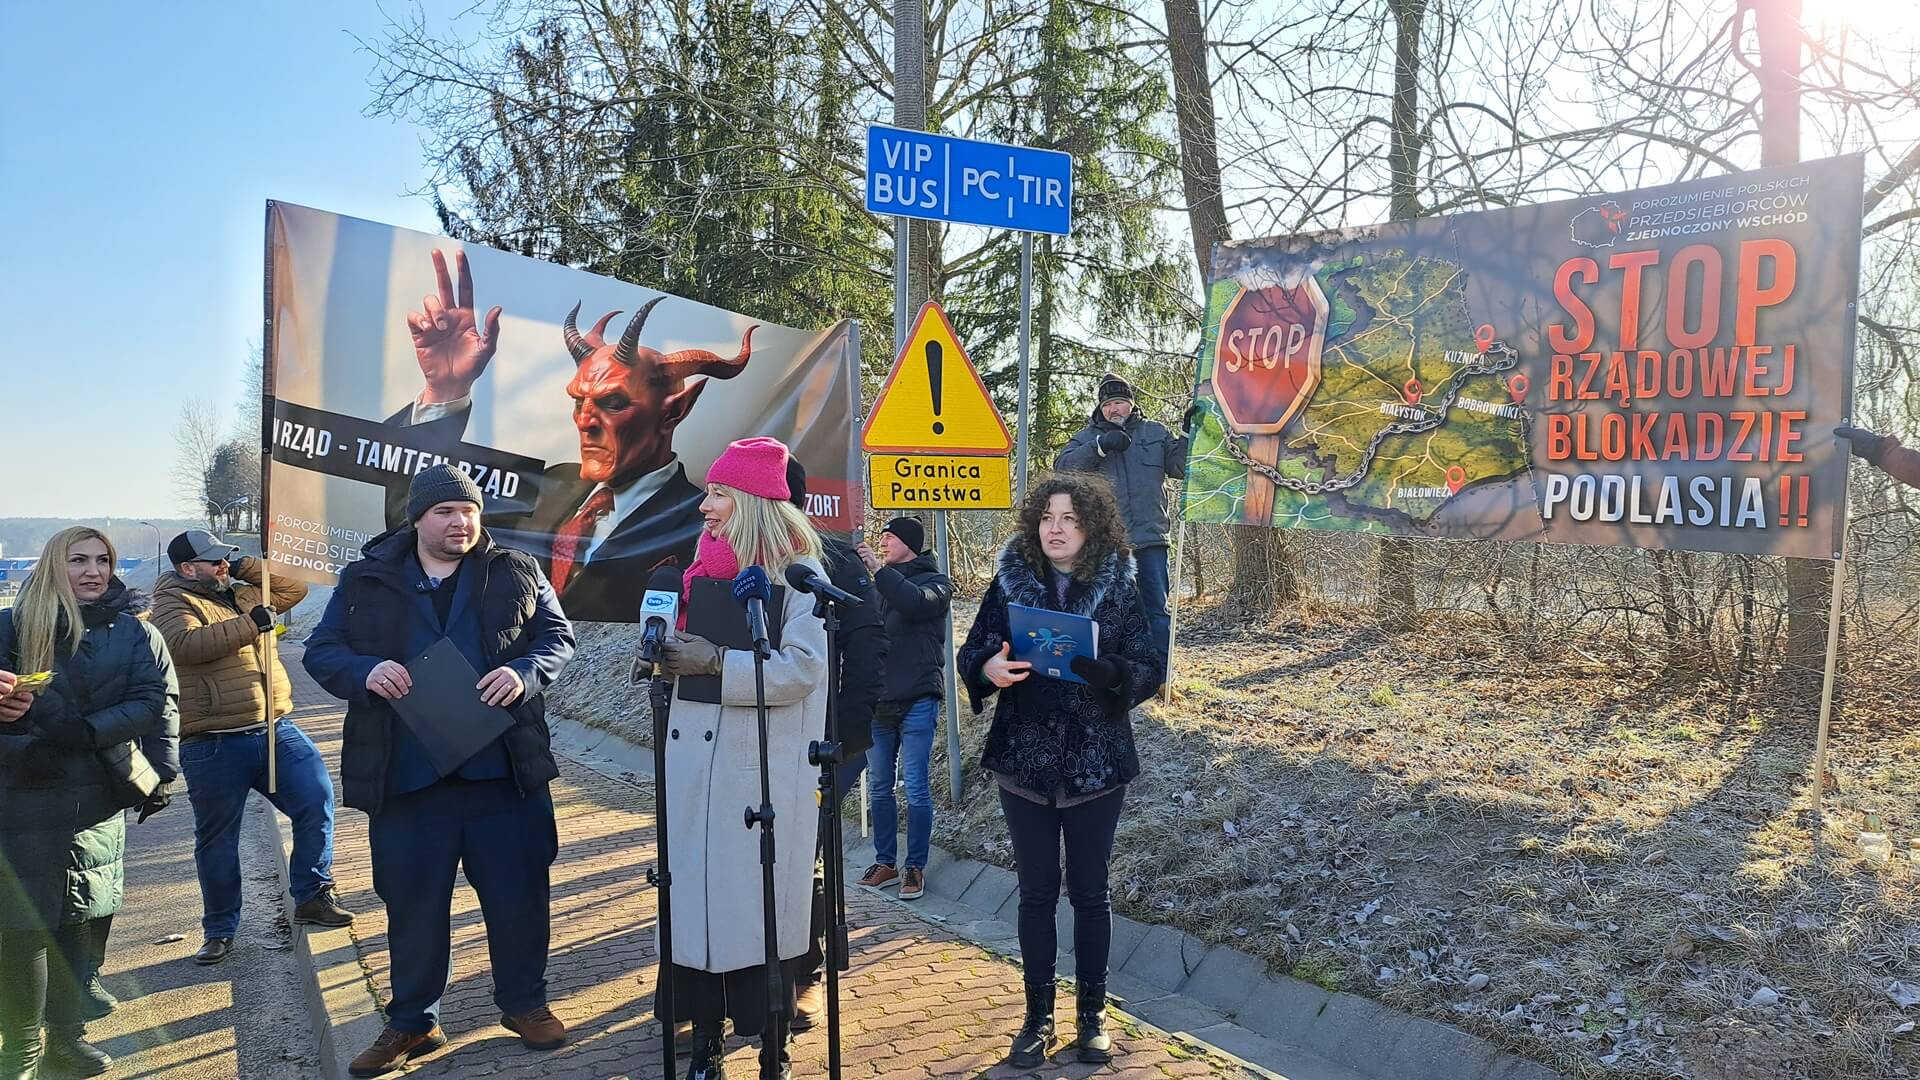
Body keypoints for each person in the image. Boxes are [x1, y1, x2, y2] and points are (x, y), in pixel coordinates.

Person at [303, 464, 577, 1077]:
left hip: (503, 774)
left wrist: (524, 673)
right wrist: (365, 672)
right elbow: (324, 650)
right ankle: (411, 1021)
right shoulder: (366, 579)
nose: (461, 522)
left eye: (469, 511)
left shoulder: (517, 570)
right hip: (407, 777)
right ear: (417, 519)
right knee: (412, 902)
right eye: (445, 512)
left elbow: (556, 637)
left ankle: (524, 1004)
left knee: (520, 896)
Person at [378, 249, 755, 619]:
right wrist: (443, 394)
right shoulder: (545, 486)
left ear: (675, 410)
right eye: (579, 401)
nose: (585, 421)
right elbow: (410, 533)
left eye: (612, 402)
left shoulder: (703, 524)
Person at [956, 475, 1166, 1068]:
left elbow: (1151, 667)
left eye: (1069, 519)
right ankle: (1036, 1018)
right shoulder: (1009, 583)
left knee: (1091, 894)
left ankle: (1092, 1015)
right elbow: (972, 654)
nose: (1055, 528)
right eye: (1048, 516)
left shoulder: (1121, 588)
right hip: (1024, 760)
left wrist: (1113, 675)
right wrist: (988, 670)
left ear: (1090, 527)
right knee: (1036, 893)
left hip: (1097, 763)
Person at [658, 437, 830, 1080]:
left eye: (720, 494)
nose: (706, 506)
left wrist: (716, 662)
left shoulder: (799, 578)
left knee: (757, 918)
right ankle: (704, 1044)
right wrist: (662, 656)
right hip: (694, 776)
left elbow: (802, 671)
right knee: (698, 918)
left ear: (755, 502)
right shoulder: (697, 574)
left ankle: (771, 1046)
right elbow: (681, 664)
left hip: (756, 778)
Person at [0, 527, 180, 1078]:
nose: (93, 571)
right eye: (78, 559)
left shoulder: (132, 632)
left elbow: (154, 701)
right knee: (22, 928)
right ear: (54, 564)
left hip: (96, 799)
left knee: (82, 920)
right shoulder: (9, 625)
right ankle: (20, 1052)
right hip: (19, 797)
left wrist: (87, 731)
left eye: (103, 560)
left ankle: (68, 1038)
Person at [151, 529, 350, 967]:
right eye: (214, 561)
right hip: (213, 741)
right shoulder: (171, 602)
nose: (223, 566)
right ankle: (220, 929)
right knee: (218, 838)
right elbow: (184, 646)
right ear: (187, 569)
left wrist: (242, 565)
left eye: (225, 560)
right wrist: (252, 623)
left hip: (274, 728)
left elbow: (292, 588)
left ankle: (312, 894)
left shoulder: (243, 592)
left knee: (316, 801)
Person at [783, 459, 886, 1034]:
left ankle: (806, 975)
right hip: (751, 743)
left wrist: (842, 742)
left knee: (806, 861)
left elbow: (870, 657)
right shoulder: (729, 557)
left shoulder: (836, 561)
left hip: (827, 745)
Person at [1053, 374, 1191, 654]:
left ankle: (1160, 678)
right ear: (1100, 408)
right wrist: (1100, 446)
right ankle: (1115, 677)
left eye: (1119, 402)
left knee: (1158, 613)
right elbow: (1063, 468)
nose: (1114, 409)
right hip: (1107, 546)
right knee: (1110, 613)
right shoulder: (1087, 438)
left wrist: (1188, 435)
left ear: (1131, 404)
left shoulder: (1154, 433)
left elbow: (1181, 467)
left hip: (1151, 539)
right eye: (1108, 405)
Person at [852, 516, 952, 902]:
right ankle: (885, 862)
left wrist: (878, 572)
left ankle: (915, 866)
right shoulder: (878, 585)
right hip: (879, 703)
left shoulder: (935, 582)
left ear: (909, 542)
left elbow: (914, 602)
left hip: (918, 698)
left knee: (916, 787)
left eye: (889, 537)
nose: (883, 543)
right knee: (879, 787)